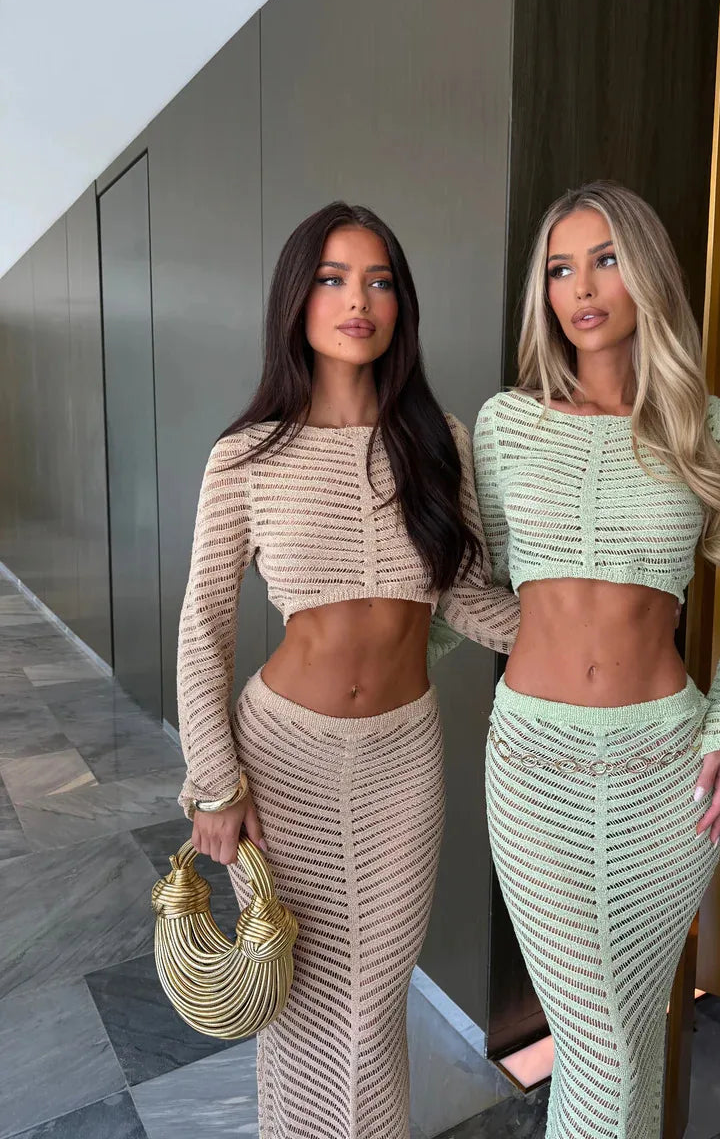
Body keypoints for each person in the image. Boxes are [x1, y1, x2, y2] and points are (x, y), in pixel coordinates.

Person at [175, 202, 519, 1139]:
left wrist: (578, 636)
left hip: (402, 764)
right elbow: (203, 626)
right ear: (297, 298)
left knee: (374, 1006)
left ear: (401, 304)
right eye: (332, 278)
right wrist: (214, 782)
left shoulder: (437, 442)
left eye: (378, 281)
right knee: (292, 1001)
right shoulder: (247, 455)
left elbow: (466, 596)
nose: (356, 300)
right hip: (281, 760)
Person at [474, 181, 720, 1139]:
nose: (583, 286)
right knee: (604, 1043)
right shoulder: (503, 425)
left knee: (626, 1035)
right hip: (533, 773)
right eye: (561, 268)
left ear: (646, 271)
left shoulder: (710, 427)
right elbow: (470, 586)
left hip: (668, 776)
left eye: (606, 258)